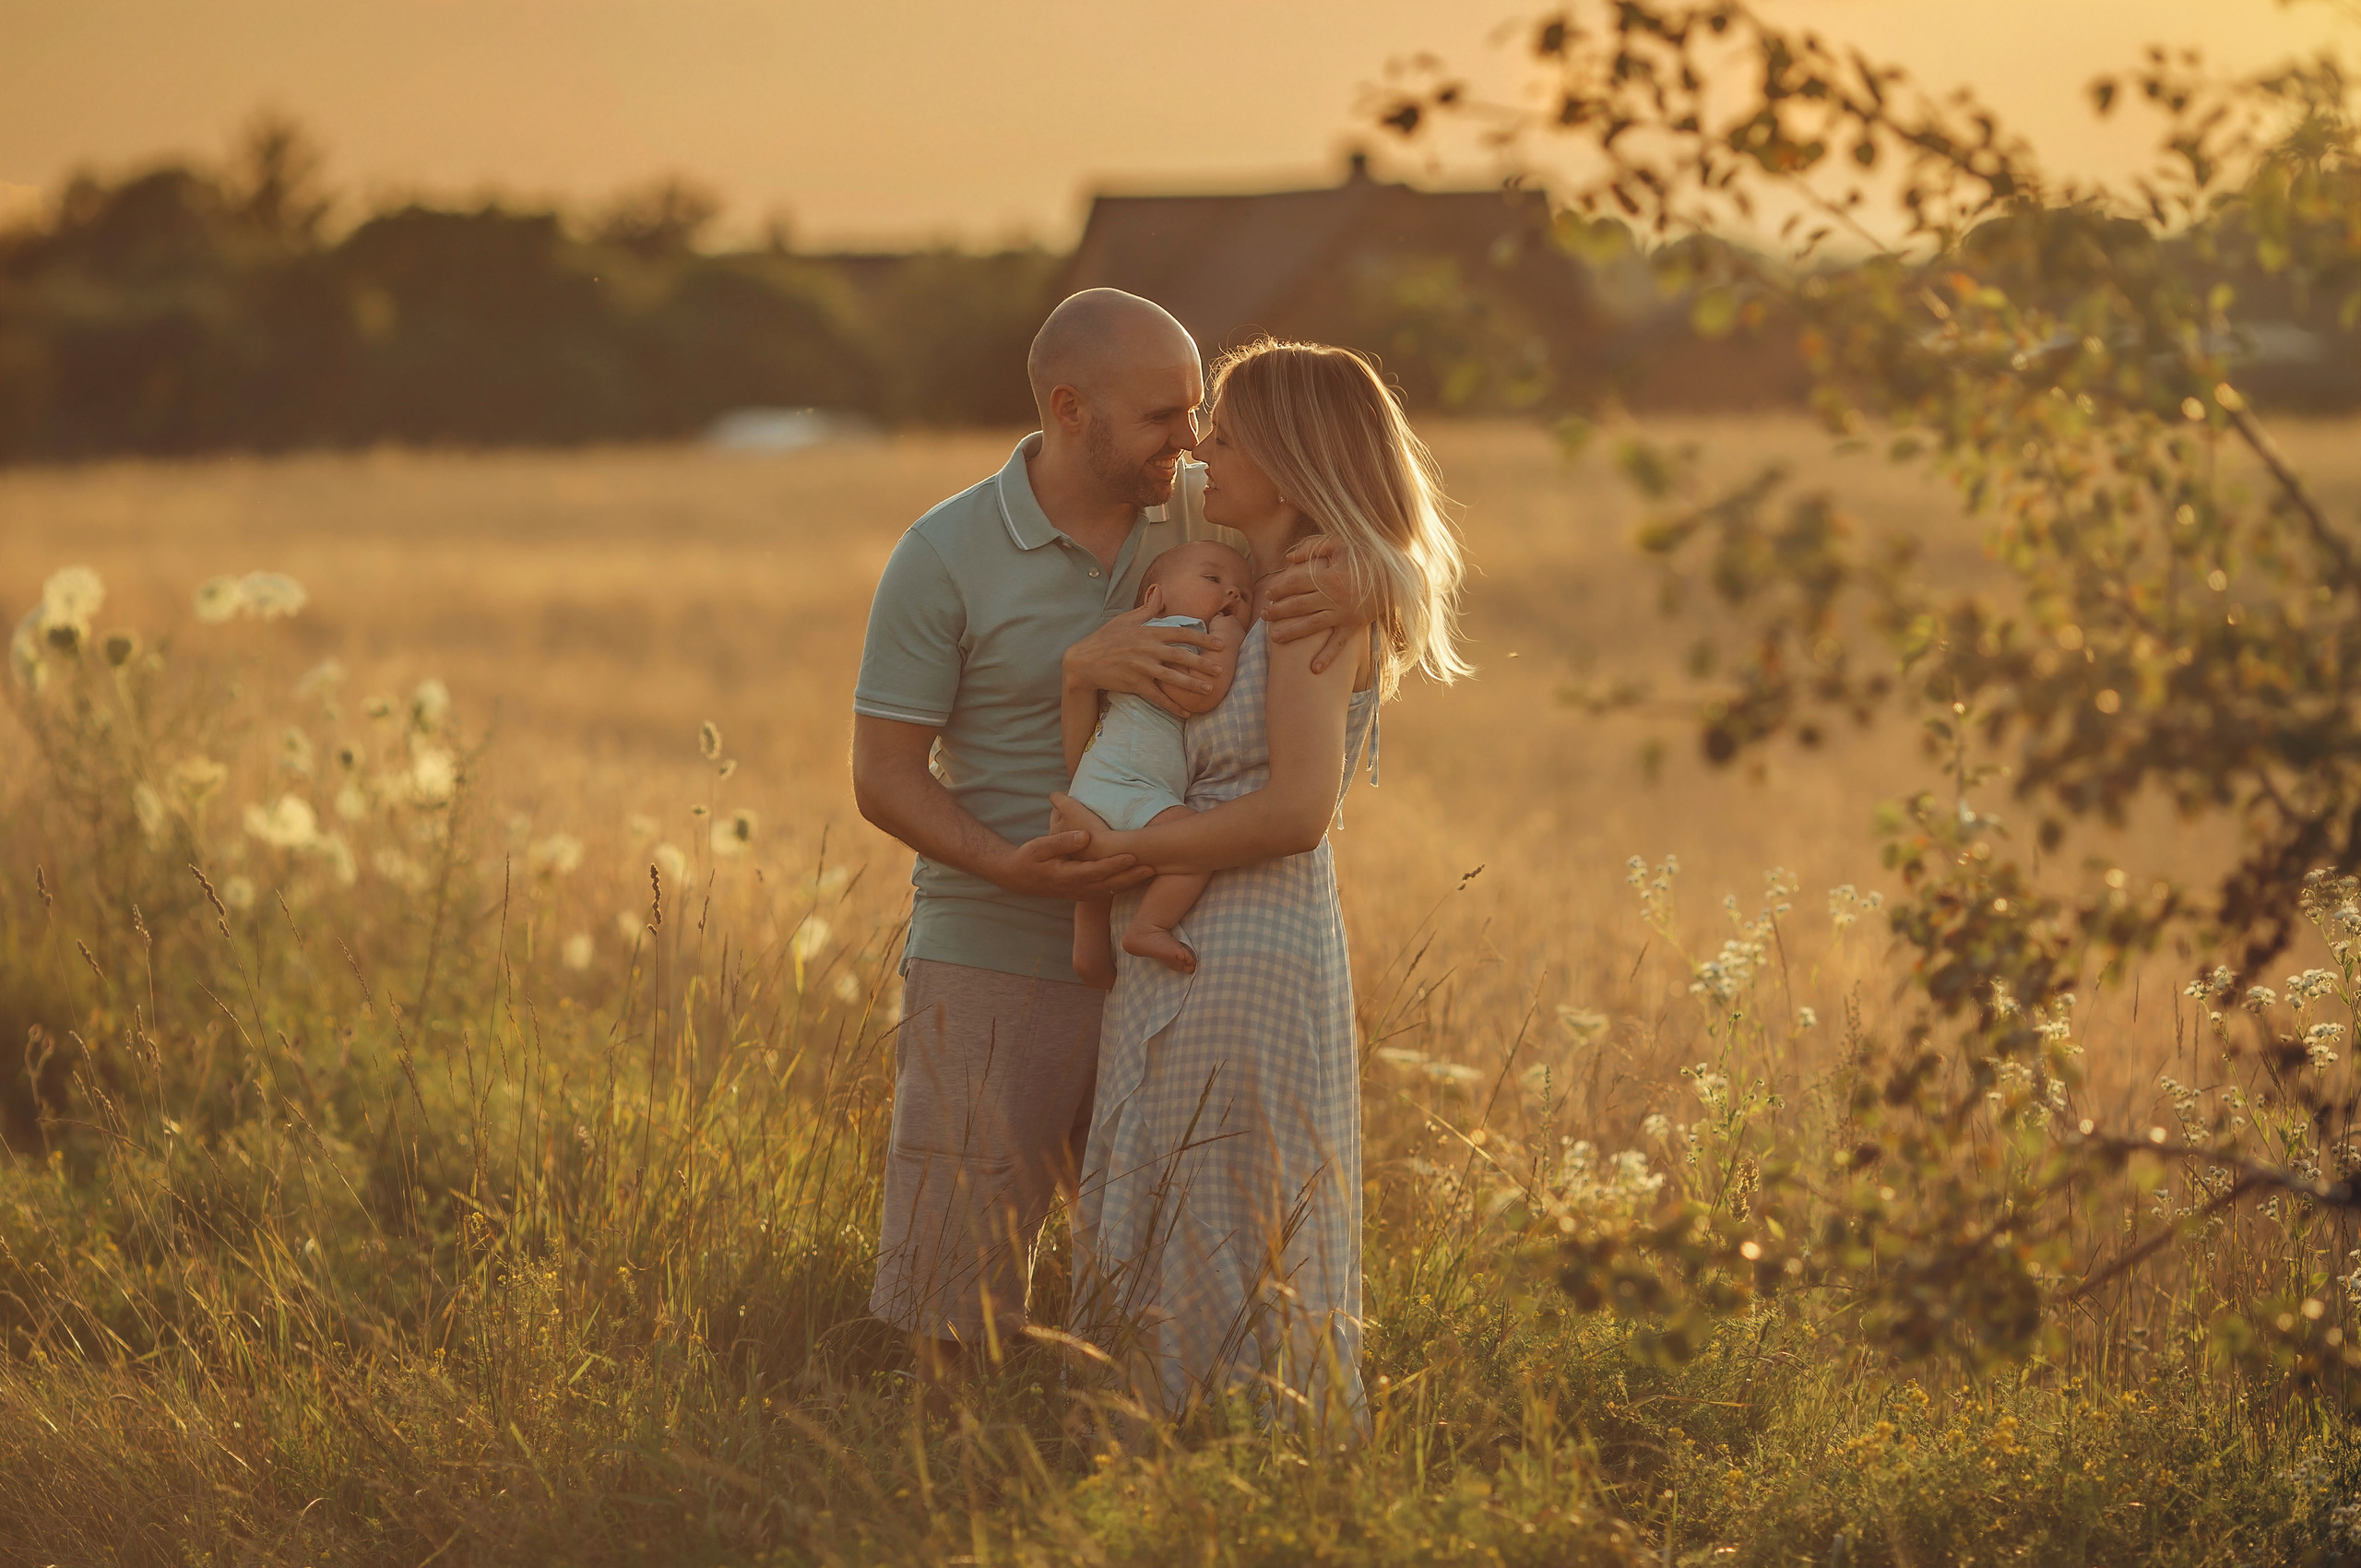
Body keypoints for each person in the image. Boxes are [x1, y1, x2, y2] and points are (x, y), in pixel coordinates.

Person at [849, 291, 1365, 1395]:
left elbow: (1346, 537)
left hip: (1170, 949)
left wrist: (1390, 578)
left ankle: (1142, 1480)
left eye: (1198, 414)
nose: (1189, 439)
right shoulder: (941, 555)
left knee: (1155, 1257)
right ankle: (955, 1496)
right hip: (994, 945)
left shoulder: (1206, 511)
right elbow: (881, 774)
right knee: (958, 1280)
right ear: (1070, 409)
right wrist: (1004, 862)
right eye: (1162, 415)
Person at [1052, 337, 1469, 1438]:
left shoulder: (1311, 593)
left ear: (1286, 463)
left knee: (1226, 1203)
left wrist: (1136, 858)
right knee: (1176, 1186)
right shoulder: (1272, 565)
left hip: (1244, 939)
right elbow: (1086, 455)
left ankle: (1237, 1462)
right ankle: (1156, 1460)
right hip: (1192, 935)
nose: (1200, 451)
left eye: (1227, 436)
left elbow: (1296, 809)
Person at [1062, 540, 1252, 986]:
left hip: (1098, 784)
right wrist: (1227, 641)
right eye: (1213, 580)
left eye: (1243, 594)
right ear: (1155, 597)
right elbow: (1198, 693)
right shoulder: (1177, 632)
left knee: (1095, 880)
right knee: (1196, 845)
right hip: (1131, 784)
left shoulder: (1134, 642)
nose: (1231, 596)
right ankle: (1148, 925)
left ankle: (1088, 948)